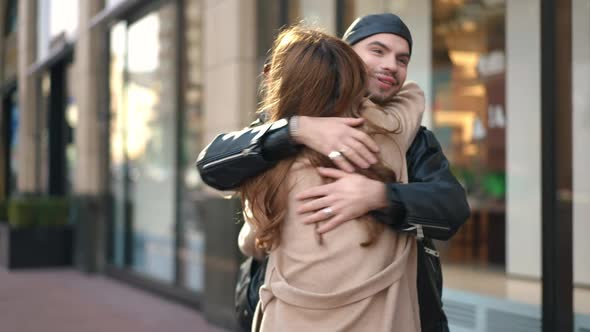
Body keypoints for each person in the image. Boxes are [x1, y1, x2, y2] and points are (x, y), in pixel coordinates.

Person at [197, 13, 470, 332]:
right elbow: (212, 165)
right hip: (290, 308)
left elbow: (452, 208)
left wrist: (380, 195)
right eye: (377, 51)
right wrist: (296, 130)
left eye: (402, 59)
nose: (391, 66)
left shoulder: (413, 139)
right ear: (347, 55)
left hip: (388, 311)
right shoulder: (284, 125)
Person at [238, 25, 424, 331]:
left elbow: (251, 242)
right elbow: (413, 95)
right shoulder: (386, 140)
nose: (390, 64)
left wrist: (292, 126)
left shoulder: (265, 165)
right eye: (377, 52)